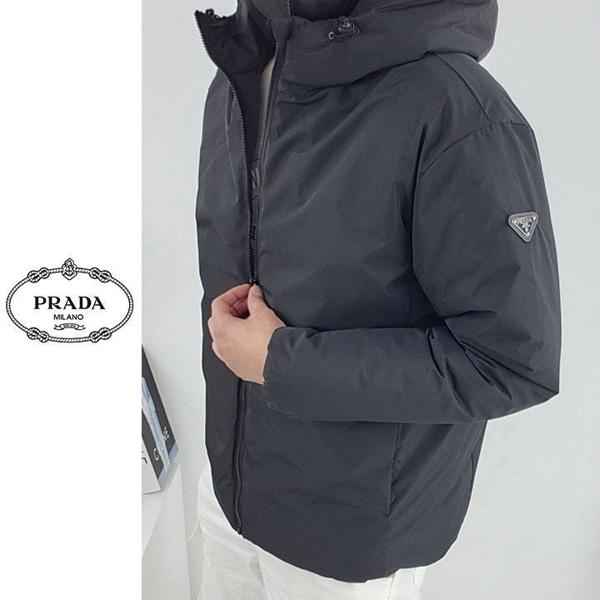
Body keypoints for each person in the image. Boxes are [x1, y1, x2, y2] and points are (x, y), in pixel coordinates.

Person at [193, 0, 561, 597]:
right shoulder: (242, 70)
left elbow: (510, 362)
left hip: (347, 539)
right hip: (229, 493)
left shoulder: (455, 109)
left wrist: (281, 362)